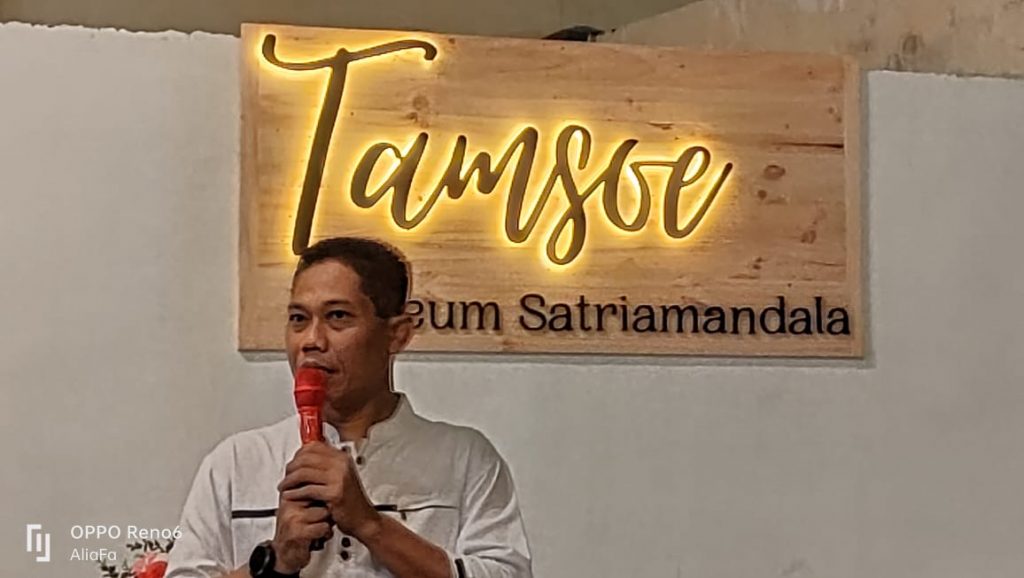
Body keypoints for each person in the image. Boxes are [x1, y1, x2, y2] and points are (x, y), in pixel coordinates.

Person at [166, 237, 532, 578]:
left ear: (398, 334)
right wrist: (276, 559)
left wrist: (370, 525)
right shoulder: (236, 463)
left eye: (338, 316)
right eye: (298, 319)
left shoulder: (465, 458)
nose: (311, 340)